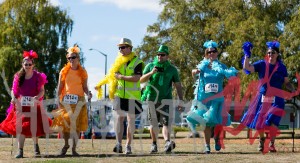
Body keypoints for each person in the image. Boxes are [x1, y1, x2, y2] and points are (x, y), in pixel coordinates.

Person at [241, 41, 296, 152]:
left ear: (277, 54)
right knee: (259, 120)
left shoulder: (282, 67)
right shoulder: (262, 64)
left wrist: (293, 89)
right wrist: (247, 54)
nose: (271, 54)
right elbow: (247, 67)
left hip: (277, 98)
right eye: (269, 52)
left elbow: (286, 82)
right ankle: (262, 139)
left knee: (274, 120)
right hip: (263, 96)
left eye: (273, 52)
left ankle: (271, 143)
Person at [95, 38, 144, 155]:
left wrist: (121, 77)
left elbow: (137, 78)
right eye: (119, 47)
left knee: (130, 120)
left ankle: (128, 145)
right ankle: (118, 144)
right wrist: (100, 84)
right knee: (118, 119)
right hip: (119, 96)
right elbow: (111, 76)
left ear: (129, 48)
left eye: (123, 47)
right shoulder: (118, 61)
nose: (120, 49)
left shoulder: (137, 62)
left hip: (133, 96)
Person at [0, 50, 52, 158]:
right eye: (25, 64)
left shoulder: (38, 76)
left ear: (33, 64)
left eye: (29, 64)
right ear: (22, 65)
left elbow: (42, 91)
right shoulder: (18, 76)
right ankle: (20, 151)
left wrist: (37, 97)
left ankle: (36, 147)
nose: (27, 66)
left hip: (34, 105)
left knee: (35, 128)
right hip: (20, 106)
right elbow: (13, 90)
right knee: (21, 128)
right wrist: (13, 98)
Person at [190, 40, 238, 154]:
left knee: (218, 122)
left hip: (217, 99)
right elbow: (193, 73)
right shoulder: (203, 66)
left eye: (213, 51)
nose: (211, 54)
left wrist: (233, 73)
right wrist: (195, 71)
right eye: (209, 52)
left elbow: (231, 75)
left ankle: (217, 138)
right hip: (205, 98)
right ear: (206, 54)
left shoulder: (221, 66)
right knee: (206, 122)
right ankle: (207, 146)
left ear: (217, 53)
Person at [140, 45, 184, 153]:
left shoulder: (172, 69)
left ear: (167, 56)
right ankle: (154, 144)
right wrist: (151, 73)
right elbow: (141, 80)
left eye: (162, 55)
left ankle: (167, 142)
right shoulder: (150, 66)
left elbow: (178, 85)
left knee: (166, 123)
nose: (160, 56)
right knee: (153, 123)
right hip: (152, 98)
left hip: (166, 99)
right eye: (158, 54)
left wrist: (180, 100)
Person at [51, 45, 92, 156]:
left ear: (78, 58)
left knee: (76, 126)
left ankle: (74, 149)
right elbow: (60, 86)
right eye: (69, 58)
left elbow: (84, 87)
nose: (71, 60)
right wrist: (57, 99)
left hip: (79, 100)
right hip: (66, 100)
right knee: (65, 124)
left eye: (73, 57)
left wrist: (88, 93)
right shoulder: (64, 71)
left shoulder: (83, 72)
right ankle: (66, 144)